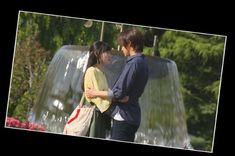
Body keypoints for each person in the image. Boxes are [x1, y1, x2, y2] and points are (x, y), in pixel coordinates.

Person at [86, 28, 149, 142]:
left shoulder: (133, 63)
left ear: (129, 43)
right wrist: (126, 97)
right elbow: (133, 92)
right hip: (133, 116)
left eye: (122, 45)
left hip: (124, 117)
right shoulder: (143, 63)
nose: (121, 48)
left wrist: (95, 92)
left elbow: (118, 93)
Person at [81, 41, 128, 139]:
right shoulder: (92, 71)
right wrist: (117, 102)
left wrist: (116, 98)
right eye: (107, 52)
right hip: (95, 116)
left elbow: (102, 93)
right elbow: (98, 98)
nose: (110, 55)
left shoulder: (101, 72)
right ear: (97, 54)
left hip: (101, 115)